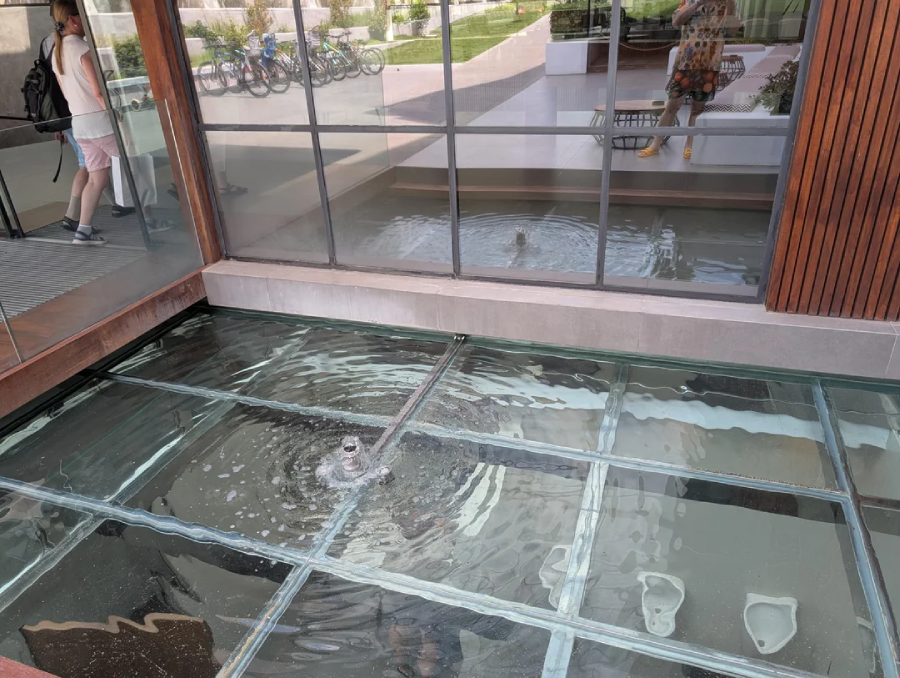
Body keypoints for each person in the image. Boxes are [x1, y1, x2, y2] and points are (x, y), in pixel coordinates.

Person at [638, 0, 739, 160]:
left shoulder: (726, 4)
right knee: (672, 105)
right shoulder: (689, 1)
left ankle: (690, 145)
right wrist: (697, 3)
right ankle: (655, 143)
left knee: (697, 108)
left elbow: (733, 30)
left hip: (709, 64)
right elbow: (676, 22)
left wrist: (731, 6)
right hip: (686, 61)